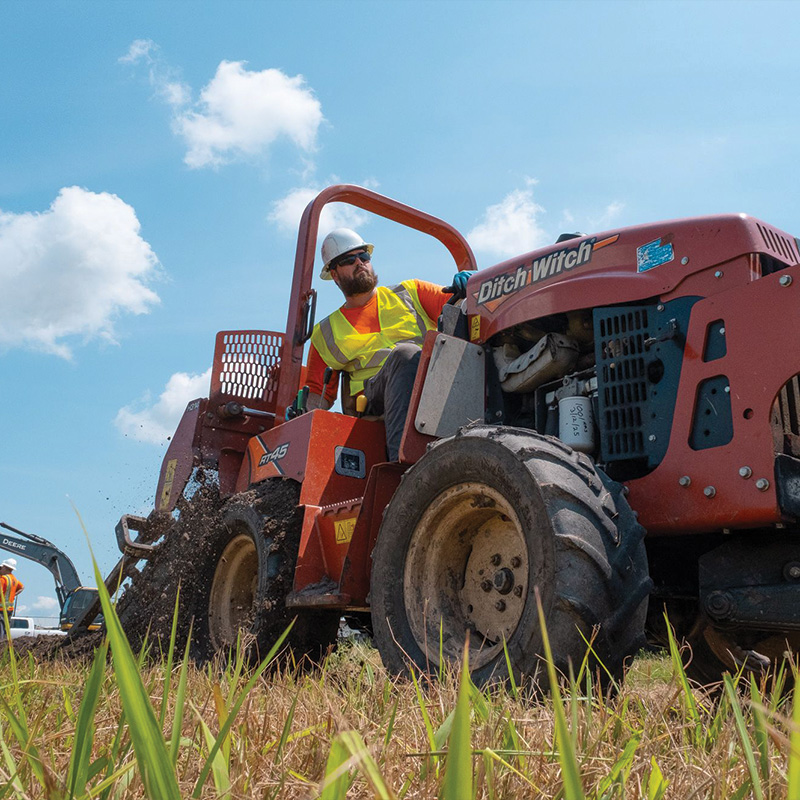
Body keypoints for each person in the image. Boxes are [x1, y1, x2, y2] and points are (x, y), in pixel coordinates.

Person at [307, 228, 470, 461]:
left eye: (364, 256)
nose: (360, 263)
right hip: (373, 402)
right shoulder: (325, 333)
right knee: (404, 355)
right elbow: (317, 395)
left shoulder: (411, 292)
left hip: (430, 382)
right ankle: (402, 465)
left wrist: (474, 288)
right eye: (348, 260)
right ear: (334, 274)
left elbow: (464, 308)